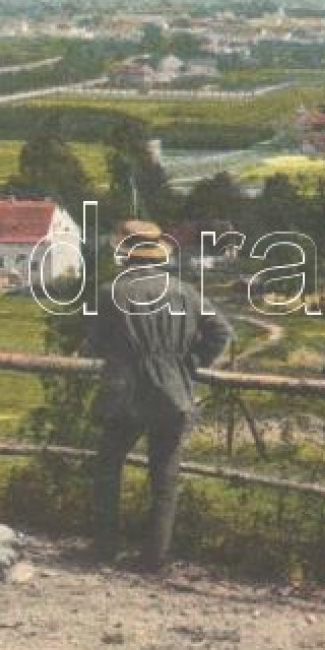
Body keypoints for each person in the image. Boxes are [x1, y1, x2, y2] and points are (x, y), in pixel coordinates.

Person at [87, 220, 233, 571]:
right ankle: (155, 556)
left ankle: (105, 547)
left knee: (107, 467)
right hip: (174, 392)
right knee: (165, 477)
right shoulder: (185, 292)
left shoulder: (111, 293)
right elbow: (223, 330)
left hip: (125, 393)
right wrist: (194, 361)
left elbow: (95, 340)